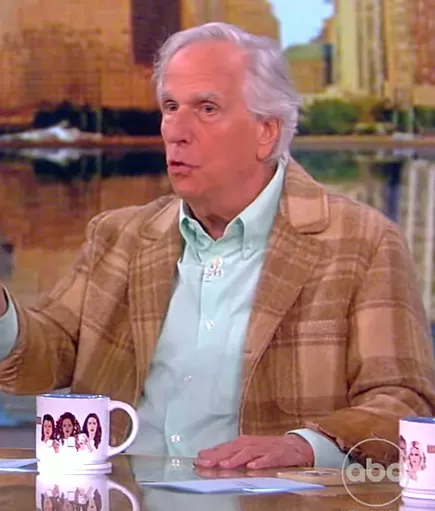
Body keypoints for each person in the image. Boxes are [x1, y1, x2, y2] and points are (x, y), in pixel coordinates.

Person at [0, 22, 435, 470]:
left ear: (266, 131)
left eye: (206, 108)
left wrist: (307, 448)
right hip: (119, 493)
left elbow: (403, 403)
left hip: (271, 498)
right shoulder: (118, 236)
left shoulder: (361, 243)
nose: (176, 131)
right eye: (170, 107)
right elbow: (44, 355)